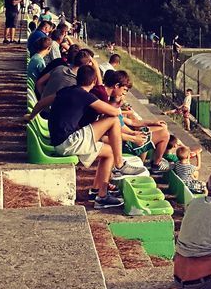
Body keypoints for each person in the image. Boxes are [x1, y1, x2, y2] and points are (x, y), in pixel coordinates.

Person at [44, 64, 140, 208]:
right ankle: (120, 165)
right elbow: (114, 113)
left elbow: (43, 101)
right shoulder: (85, 95)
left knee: (109, 153)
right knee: (113, 120)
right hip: (67, 142)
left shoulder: (66, 90)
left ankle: (100, 195)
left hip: (60, 141)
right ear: (94, 81)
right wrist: (121, 110)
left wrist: (31, 116)